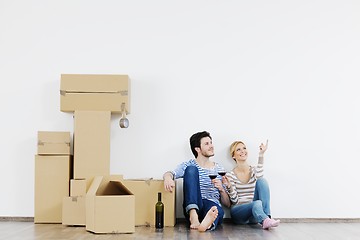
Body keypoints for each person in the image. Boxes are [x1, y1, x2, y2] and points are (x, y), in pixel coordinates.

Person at [163, 131, 231, 232]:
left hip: (211, 205)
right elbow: (170, 173)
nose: (211, 146)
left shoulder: (219, 168)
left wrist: (221, 189)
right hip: (194, 206)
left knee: (216, 210)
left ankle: (207, 225)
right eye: (207, 144)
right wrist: (168, 178)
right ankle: (193, 216)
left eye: (211, 142)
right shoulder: (189, 165)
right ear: (197, 149)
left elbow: (228, 204)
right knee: (191, 169)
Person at [222, 139, 280, 229]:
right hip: (239, 213)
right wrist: (229, 187)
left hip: (255, 214)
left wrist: (261, 155)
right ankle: (265, 219)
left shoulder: (253, 170)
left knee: (262, 181)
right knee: (256, 203)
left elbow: (260, 177)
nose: (243, 151)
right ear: (233, 156)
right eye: (238, 149)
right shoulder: (230, 175)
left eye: (244, 148)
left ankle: (266, 218)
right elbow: (235, 201)